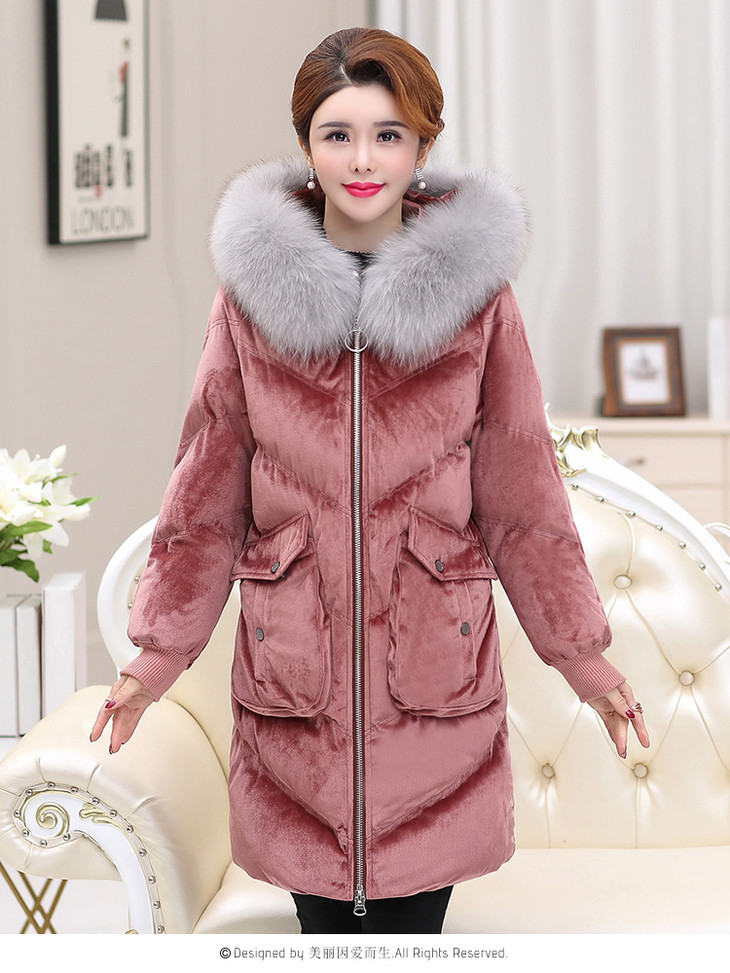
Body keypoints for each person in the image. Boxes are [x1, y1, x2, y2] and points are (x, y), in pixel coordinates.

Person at [91, 27, 650, 934]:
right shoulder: (250, 300)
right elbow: (207, 487)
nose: (362, 159)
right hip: (293, 689)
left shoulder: (479, 301)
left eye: (388, 134)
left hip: (436, 680)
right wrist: (156, 656)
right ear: (305, 145)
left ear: (423, 146)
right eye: (337, 134)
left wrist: (582, 655)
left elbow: (522, 493)